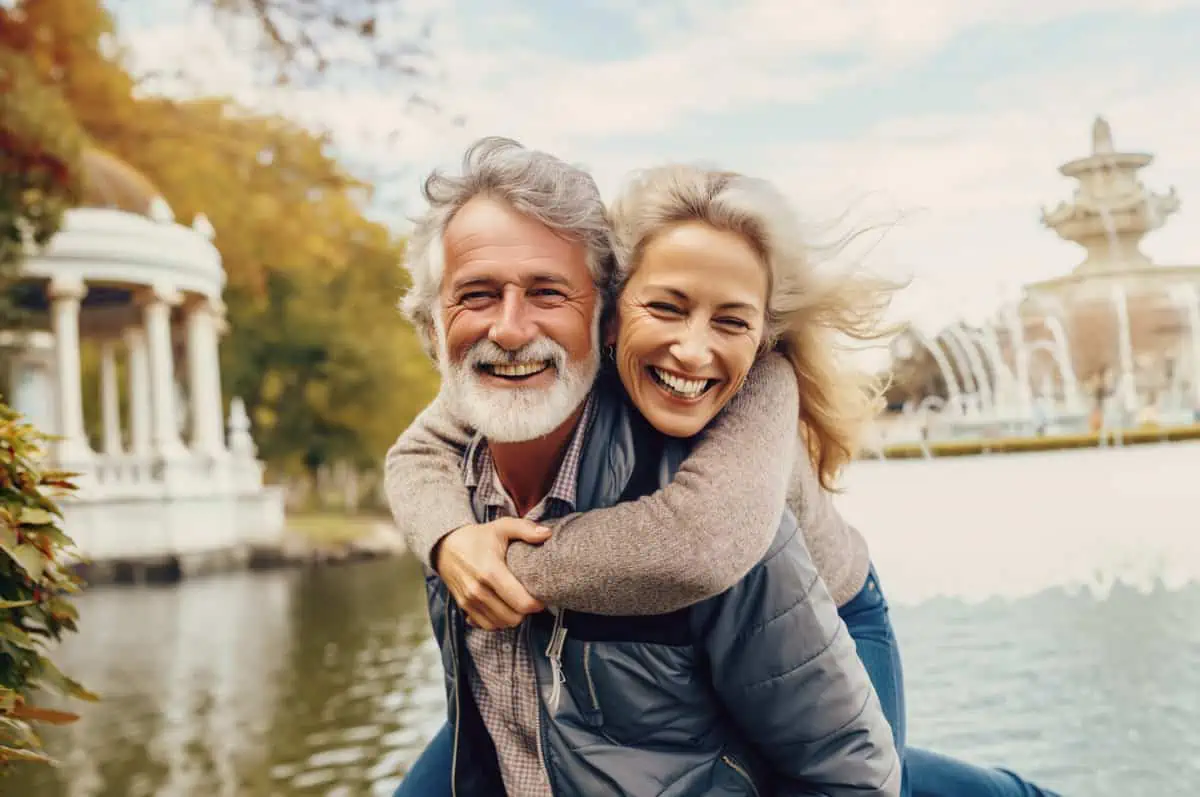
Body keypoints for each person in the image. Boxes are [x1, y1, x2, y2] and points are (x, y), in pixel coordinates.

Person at [388, 150, 1060, 796]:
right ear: (616, 310)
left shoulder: (758, 392)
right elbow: (416, 451)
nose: (693, 348)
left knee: (871, 771)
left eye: (730, 319)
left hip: (822, 605)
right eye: (667, 306)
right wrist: (450, 537)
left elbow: (700, 543)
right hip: (668, 614)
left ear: (762, 332)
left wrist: (501, 572)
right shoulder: (540, 363)